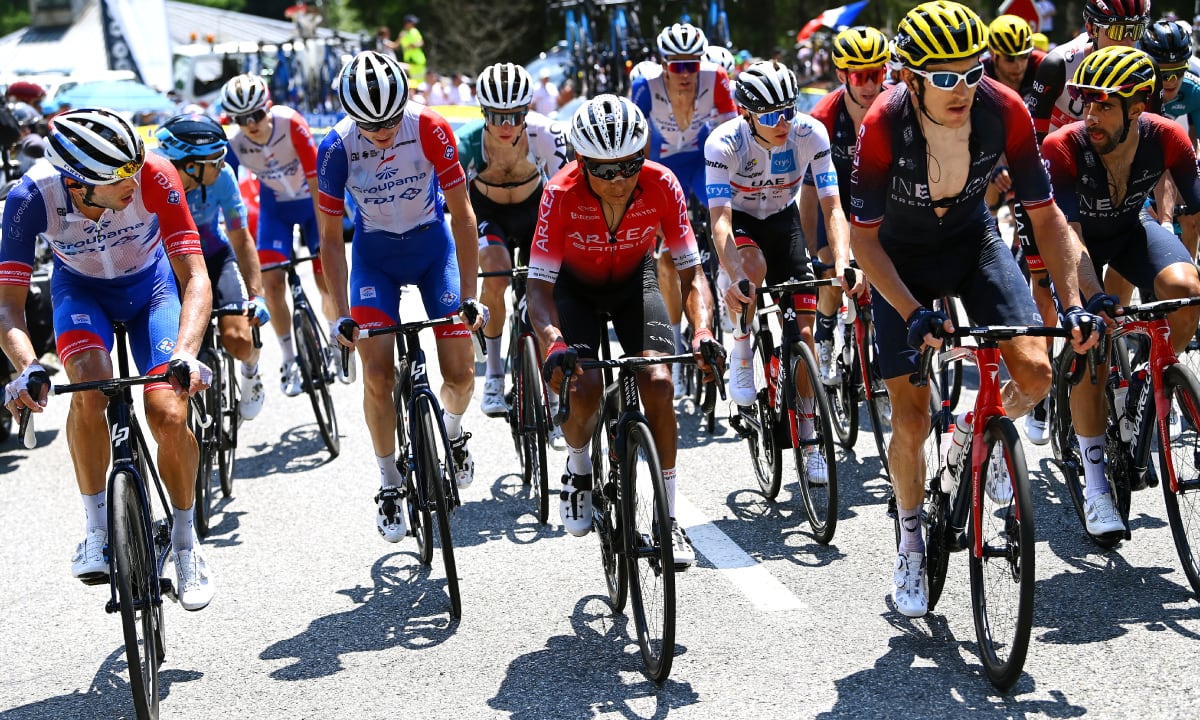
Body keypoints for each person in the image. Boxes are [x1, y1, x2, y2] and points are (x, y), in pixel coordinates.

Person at [850, 1, 1102, 619]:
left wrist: (1071, 304)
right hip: (900, 256)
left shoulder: (1004, 108)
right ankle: (911, 539)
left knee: (1038, 373)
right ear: (910, 77)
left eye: (972, 71)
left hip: (971, 241)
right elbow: (862, 239)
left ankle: (971, 430)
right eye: (943, 78)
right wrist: (911, 311)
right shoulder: (883, 123)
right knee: (909, 419)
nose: (961, 88)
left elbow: (1045, 216)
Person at [0, 108, 216, 610]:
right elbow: (8, 306)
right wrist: (27, 367)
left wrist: (186, 351)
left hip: (153, 290)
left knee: (167, 410)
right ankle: (96, 529)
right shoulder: (29, 197)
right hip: (81, 292)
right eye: (119, 176)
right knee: (91, 386)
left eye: (134, 166)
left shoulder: (155, 174)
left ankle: (186, 544)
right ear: (77, 185)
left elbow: (196, 278)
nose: (134, 180)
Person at [530, 95, 720, 566]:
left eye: (630, 165)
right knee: (588, 385)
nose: (619, 180)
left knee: (658, 381)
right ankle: (577, 464)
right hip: (575, 290)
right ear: (580, 161)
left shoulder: (662, 184)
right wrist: (553, 343)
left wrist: (701, 333)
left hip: (636, 282)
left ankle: (669, 521)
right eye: (604, 169)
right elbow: (537, 289)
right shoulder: (559, 194)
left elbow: (692, 273)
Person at [317, 51, 485, 542]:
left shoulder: (430, 127)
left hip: (434, 250)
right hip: (376, 261)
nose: (384, 130)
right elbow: (330, 239)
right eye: (372, 124)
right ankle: (390, 481)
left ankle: (452, 435)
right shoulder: (337, 148)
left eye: (391, 119)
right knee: (377, 373)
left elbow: (464, 214)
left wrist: (471, 297)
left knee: (458, 370)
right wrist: (341, 315)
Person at [1044, 45, 1200, 537]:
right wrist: (1091, 300)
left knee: (1187, 290)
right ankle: (1095, 486)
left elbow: (1192, 217)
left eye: (1104, 105)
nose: (1090, 115)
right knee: (1093, 338)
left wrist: (1188, 280)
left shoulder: (1168, 136)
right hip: (1076, 239)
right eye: (1086, 103)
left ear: (1137, 107)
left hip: (1132, 229)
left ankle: (1145, 382)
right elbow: (1069, 237)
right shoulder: (1063, 146)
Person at [708, 61, 862, 485]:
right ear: (746, 113)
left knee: (806, 340)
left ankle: (810, 437)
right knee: (752, 270)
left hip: (784, 220)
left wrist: (844, 262)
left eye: (788, 111)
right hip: (740, 224)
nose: (782, 122)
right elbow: (719, 220)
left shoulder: (810, 134)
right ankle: (741, 348)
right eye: (771, 115)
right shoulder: (724, 144)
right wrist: (736, 273)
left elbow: (833, 206)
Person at [1021, 0, 1151, 444]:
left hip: (1109, 179)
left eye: (1134, 29)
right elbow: (1026, 140)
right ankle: (1042, 382)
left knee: (1123, 268)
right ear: (1092, 27)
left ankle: (1108, 359)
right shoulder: (1059, 63)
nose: (1126, 40)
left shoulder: (1141, 61)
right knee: (1044, 280)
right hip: (1056, 176)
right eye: (1117, 29)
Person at [456, 63, 571, 448]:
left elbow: (566, 194)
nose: (506, 124)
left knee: (545, 287)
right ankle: (492, 376)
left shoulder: (546, 134)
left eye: (515, 115)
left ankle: (553, 395)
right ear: (483, 113)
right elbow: (454, 211)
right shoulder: (468, 144)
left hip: (536, 208)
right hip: (488, 214)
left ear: (527, 111)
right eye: (497, 116)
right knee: (497, 271)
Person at [631, 22, 737, 397]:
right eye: (677, 66)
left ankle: (726, 281)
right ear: (663, 66)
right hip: (661, 163)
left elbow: (731, 136)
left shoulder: (717, 79)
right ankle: (673, 341)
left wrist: (731, 192)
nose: (686, 74)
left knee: (726, 216)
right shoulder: (645, 87)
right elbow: (637, 149)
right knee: (664, 254)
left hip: (699, 158)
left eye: (692, 64)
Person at [221, 73, 339, 399]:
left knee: (325, 276)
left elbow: (317, 181)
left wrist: (325, 238)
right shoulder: (235, 143)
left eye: (256, 115)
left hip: (311, 202)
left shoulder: (291, 122)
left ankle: (333, 334)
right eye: (241, 119)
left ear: (268, 107)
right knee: (271, 281)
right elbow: (220, 183)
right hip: (276, 210)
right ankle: (289, 358)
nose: (251, 124)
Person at [155, 113, 270, 421]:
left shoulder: (224, 178)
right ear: (190, 165)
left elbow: (241, 237)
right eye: (216, 158)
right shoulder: (154, 183)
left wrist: (256, 295)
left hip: (216, 258)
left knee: (238, 339)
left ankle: (251, 371)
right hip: (175, 269)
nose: (222, 164)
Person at [804, 26, 889, 387]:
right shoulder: (823, 117)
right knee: (831, 274)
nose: (870, 85)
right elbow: (810, 194)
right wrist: (814, 253)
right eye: (860, 76)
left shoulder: (897, 105)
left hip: (881, 199)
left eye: (877, 74)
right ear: (842, 76)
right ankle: (824, 335)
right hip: (832, 201)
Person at [1139, 19, 1200, 258]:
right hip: (1140, 147)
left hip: (1174, 141)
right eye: (1164, 74)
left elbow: (1193, 145)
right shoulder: (1134, 88)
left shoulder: (1194, 90)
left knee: (1193, 216)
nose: (1173, 81)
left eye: (1179, 72)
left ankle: (1186, 270)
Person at [984, 15, 1047, 98]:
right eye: (1010, 59)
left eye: (1024, 56)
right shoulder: (981, 78)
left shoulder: (1041, 64)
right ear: (993, 54)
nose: (1018, 66)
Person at [7, 102, 46, 177]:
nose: (28, 131)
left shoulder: (33, 149)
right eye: (22, 128)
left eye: (28, 127)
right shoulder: (6, 150)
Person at [399, 15, 426, 81]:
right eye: (412, 22)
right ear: (407, 23)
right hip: (410, 62)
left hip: (417, 61)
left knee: (419, 83)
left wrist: (413, 45)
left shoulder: (414, 31)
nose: (414, 24)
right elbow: (398, 45)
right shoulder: (403, 33)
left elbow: (421, 42)